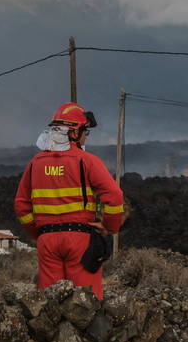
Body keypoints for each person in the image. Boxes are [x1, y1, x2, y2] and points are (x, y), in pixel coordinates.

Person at [14, 102, 124, 297]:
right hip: (80, 239)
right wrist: (109, 227)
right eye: (85, 132)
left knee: (51, 304)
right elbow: (114, 196)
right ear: (74, 133)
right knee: (86, 304)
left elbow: (21, 205)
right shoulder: (86, 161)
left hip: (47, 241)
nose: (85, 137)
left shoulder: (35, 163)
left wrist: (37, 233)